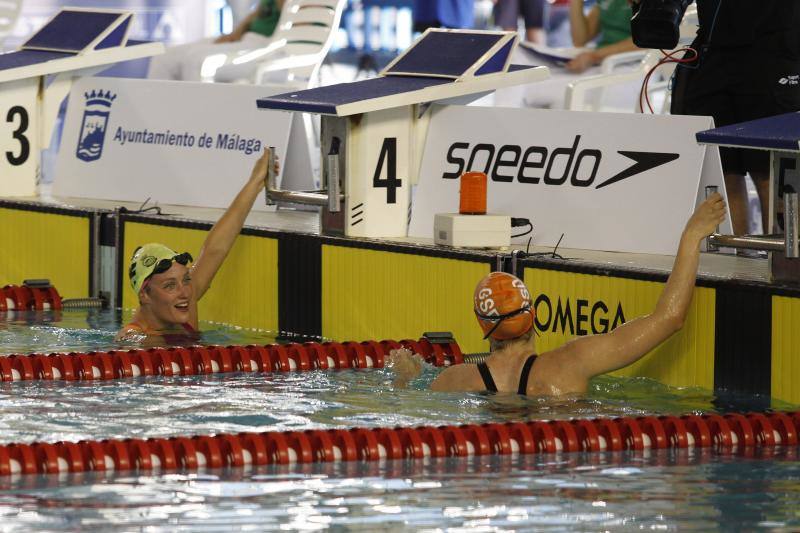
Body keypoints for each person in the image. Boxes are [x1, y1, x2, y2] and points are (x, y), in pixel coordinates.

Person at [389, 194, 727, 396]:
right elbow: (669, 318)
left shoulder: (454, 380)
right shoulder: (569, 365)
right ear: (533, 314)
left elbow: (410, 395)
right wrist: (691, 235)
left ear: (482, 327)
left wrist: (408, 375)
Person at [116, 148, 279, 344]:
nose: (185, 292)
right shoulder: (131, 340)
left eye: (185, 280)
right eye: (170, 286)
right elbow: (131, 346)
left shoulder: (180, 309)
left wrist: (256, 181)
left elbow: (214, 250)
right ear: (145, 294)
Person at [669, 0, 800, 236]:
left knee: (772, 171)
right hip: (712, 47)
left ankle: (784, 266)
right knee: (721, 169)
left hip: (775, 48)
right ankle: (736, 262)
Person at [147, 0, 283, 82]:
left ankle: (194, 126)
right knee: (164, 56)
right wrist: (235, 34)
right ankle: (156, 122)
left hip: (270, 45)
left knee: (196, 60)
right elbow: (258, 14)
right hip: (249, 37)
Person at [566, 0, 638, 73]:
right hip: (604, 61)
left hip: (634, 63)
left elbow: (647, 40)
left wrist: (595, 56)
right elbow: (580, 41)